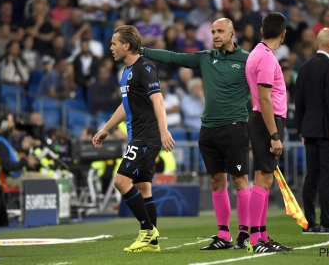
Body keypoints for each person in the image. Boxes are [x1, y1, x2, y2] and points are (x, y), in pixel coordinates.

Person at [140, 18, 251, 250]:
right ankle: (223, 236)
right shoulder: (205, 57)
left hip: (234, 126)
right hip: (208, 128)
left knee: (240, 181)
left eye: (220, 31)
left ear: (232, 34)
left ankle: (245, 233)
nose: (216, 35)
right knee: (216, 181)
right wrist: (143, 50)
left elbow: (263, 93)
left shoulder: (247, 60)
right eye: (213, 31)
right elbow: (173, 57)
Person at [92, 25, 174, 252]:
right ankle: (153, 244)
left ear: (126, 45)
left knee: (121, 181)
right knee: (143, 187)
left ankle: (147, 230)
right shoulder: (126, 72)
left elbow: (158, 100)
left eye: (114, 43)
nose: (111, 48)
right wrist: (106, 128)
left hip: (147, 136)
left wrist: (164, 130)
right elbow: (125, 104)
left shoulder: (144, 67)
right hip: (138, 135)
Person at [245, 11, 293, 254]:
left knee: (266, 179)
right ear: (283, 34)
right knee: (263, 178)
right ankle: (255, 241)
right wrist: (274, 135)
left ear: (263, 30)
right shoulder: (266, 58)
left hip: (261, 120)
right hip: (268, 121)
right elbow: (264, 98)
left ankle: (262, 236)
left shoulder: (257, 53)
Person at [295, 28, 329, 234]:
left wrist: (302, 129)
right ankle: (327, 222)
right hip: (328, 131)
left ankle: (309, 223)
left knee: (312, 177)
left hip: (310, 131)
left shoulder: (304, 67)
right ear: (328, 43)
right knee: (328, 177)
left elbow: (298, 101)